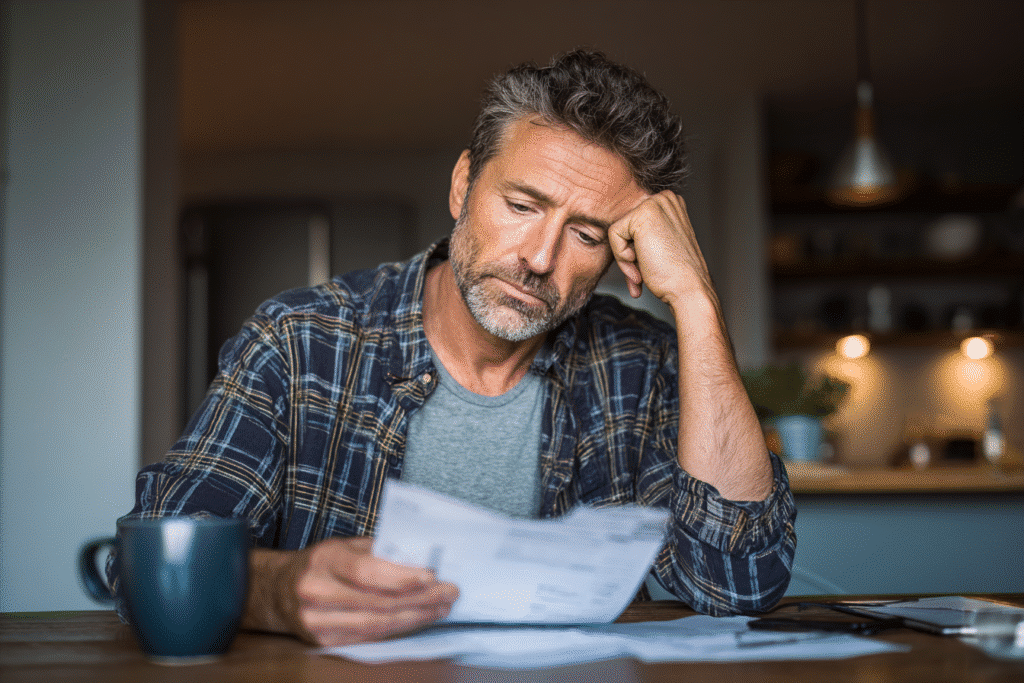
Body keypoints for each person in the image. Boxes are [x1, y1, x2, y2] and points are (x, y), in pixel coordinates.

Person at [110, 49, 796, 646]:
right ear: (463, 184)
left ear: (621, 251)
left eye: (586, 235)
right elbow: (148, 565)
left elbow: (739, 583)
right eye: (522, 206)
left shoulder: (643, 363)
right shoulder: (300, 341)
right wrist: (278, 589)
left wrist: (696, 301)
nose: (539, 258)